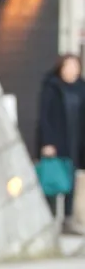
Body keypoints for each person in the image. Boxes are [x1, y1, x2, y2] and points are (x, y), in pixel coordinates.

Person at [37, 53, 85, 234]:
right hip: (57, 141)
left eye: (75, 66)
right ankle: (48, 219)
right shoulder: (52, 87)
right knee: (52, 180)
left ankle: (68, 220)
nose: (72, 70)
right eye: (68, 66)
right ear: (61, 68)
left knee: (71, 181)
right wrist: (47, 142)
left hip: (75, 140)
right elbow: (44, 116)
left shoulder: (81, 88)